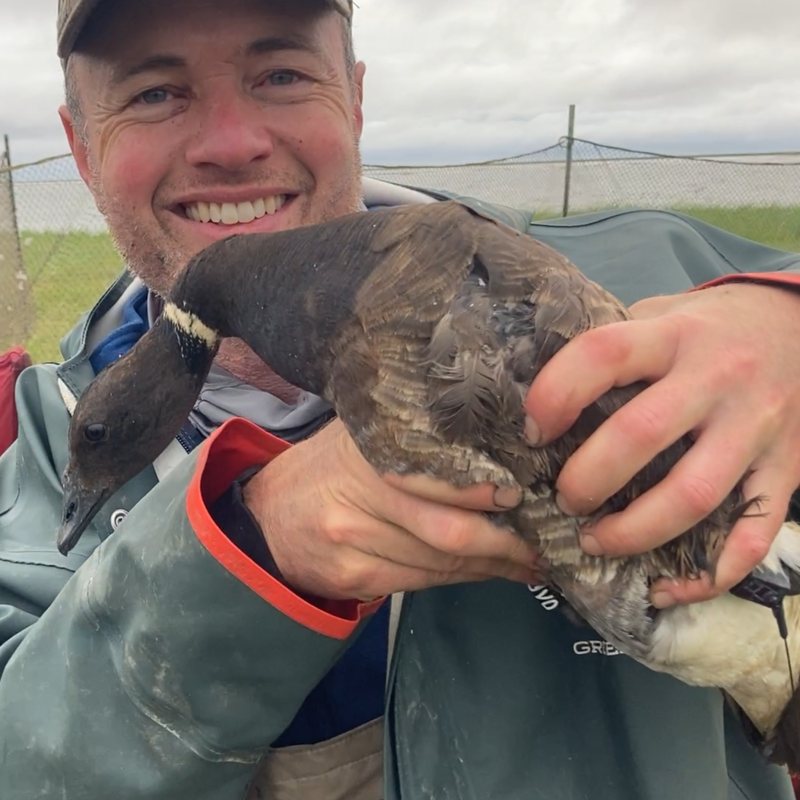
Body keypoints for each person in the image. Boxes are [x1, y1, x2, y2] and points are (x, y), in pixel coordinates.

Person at [1, 0, 799, 797]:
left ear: (353, 97)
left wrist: (785, 318)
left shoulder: (660, 268)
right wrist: (248, 545)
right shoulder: (30, 462)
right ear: (81, 146)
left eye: (280, 74)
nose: (232, 143)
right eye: (154, 94)